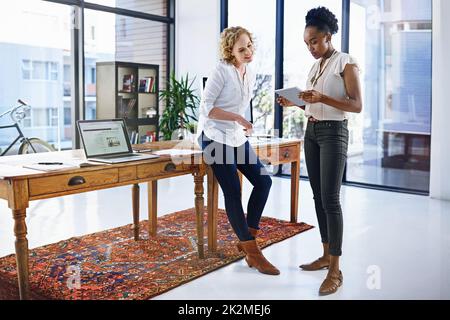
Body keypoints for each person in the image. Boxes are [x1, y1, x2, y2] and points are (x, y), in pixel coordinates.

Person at [278, 7, 362, 295]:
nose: (310, 48)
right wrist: (296, 103)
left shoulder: (346, 62)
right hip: (311, 131)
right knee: (317, 196)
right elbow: (314, 104)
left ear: (327, 36)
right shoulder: (314, 68)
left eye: (314, 41)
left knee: (331, 199)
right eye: (306, 43)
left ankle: (336, 269)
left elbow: (356, 105)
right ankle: (326, 254)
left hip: (333, 133)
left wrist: (322, 97)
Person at [196, 26, 279, 275]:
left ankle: (247, 237)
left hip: (233, 135)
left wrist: (240, 123)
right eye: (241, 49)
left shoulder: (249, 73)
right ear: (229, 50)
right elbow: (206, 108)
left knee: (264, 182)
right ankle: (253, 253)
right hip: (212, 136)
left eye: (249, 46)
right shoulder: (220, 71)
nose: (248, 52)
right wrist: (239, 119)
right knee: (233, 190)